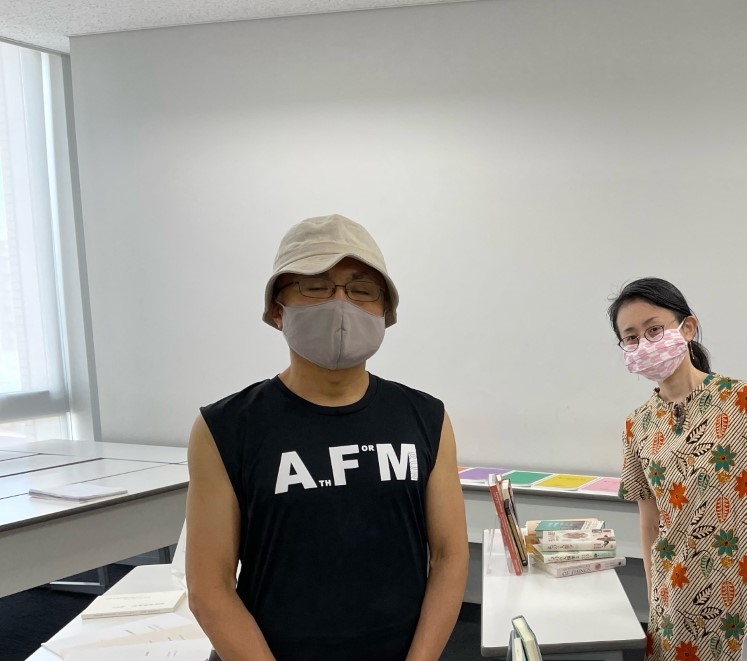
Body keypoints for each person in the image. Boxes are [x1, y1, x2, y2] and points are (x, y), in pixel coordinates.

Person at [185, 213, 469, 661]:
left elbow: (451, 555)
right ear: (277, 309)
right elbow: (209, 588)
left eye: (361, 289)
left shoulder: (426, 418)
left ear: (385, 311)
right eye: (315, 286)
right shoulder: (225, 428)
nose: (340, 303)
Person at [609, 277, 747, 661]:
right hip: (674, 595)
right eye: (631, 337)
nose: (644, 343)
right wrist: (654, 597)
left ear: (687, 328)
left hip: (735, 588)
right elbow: (649, 522)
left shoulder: (739, 402)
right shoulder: (637, 424)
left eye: (654, 329)